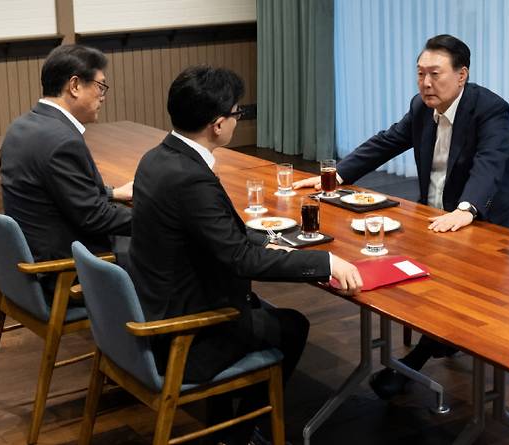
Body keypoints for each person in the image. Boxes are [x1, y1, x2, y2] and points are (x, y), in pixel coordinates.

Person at [128, 65, 362, 444]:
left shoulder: (158, 157)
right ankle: (240, 435)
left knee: (265, 310)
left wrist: (260, 238)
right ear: (218, 125)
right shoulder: (191, 177)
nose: (238, 120)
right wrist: (325, 262)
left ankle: (232, 422)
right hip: (186, 333)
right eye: (237, 113)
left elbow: (217, 235)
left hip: (158, 301)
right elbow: (240, 260)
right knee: (293, 326)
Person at [294, 34, 509, 399]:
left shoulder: (490, 109)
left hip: (486, 220)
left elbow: (490, 164)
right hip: (434, 216)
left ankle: (417, 358)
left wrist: (466, 210)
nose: (425, 83)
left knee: (449, 282)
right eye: (420, 74)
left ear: (462, 75)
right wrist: (336, 175)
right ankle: (442, 338)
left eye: (435, 74)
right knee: (394, 266)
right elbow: (387, 141)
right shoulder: (422, 107)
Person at [0, 44, 133, 297]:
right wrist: (160, 216)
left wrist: (111, 193)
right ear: (74, 86)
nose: (103, 95)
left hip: (35, 257)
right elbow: (94, 218)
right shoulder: (62, 140)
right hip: (66, 273)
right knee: (168, 246)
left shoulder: (22, 125)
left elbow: (54, 192)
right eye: (100, 86)